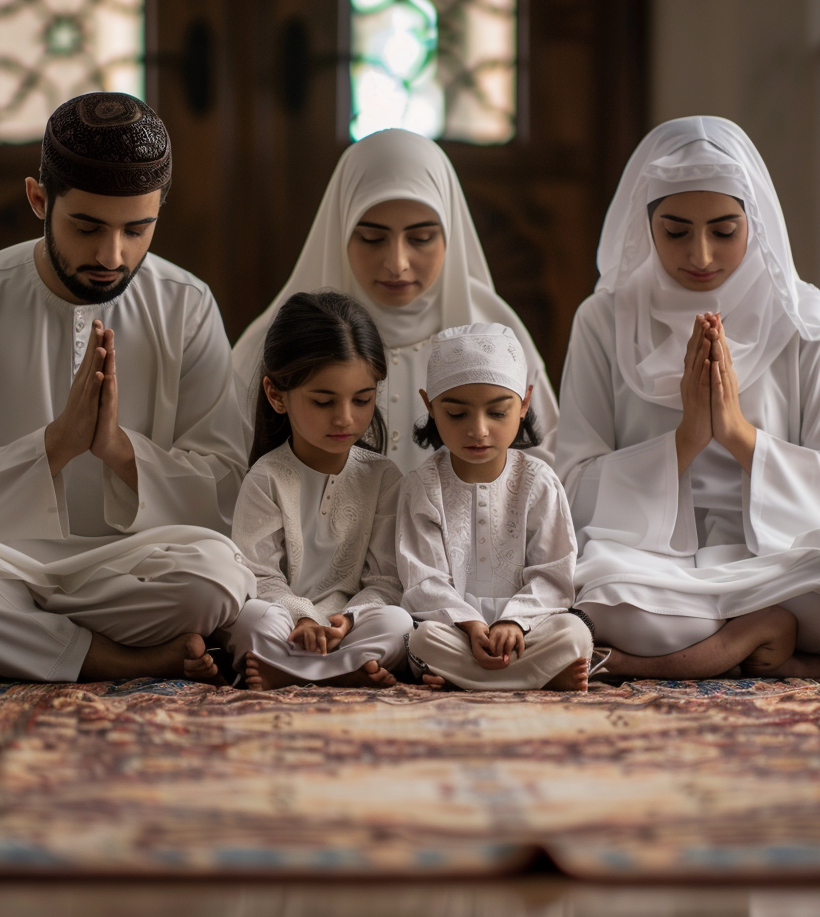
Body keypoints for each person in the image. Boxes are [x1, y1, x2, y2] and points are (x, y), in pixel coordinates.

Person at [0, 92, 254, 684]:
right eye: (87, 227)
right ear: (39, 199)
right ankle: (112, 659)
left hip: (136, 564)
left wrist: (118, 451)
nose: (112, 255)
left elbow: (224, 493)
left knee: (215, 578)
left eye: (138, 230)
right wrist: (55, 446)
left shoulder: (186, 305)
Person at [555, 115, 820, 680]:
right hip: (651, 569)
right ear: (645, 226)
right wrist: (684, 442)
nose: (701, 254)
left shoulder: (801, 319)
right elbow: (570, 487)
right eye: (676, 231)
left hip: (776, 565)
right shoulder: (604, 319)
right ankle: (775, 647)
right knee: (603, 599)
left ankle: (696, 654)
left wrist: (739, 435)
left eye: (724, 230)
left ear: (756, 222)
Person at [230, 128, 558, 474]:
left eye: (421, 238)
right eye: (372, 238)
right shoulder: (277, 342)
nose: (397, 263)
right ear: (341, 232)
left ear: (450, 235)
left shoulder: (498, 337)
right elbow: (233, 472)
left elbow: (541, 463)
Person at [398, 324, 597, 691]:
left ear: (523, 403)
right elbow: (422, 578)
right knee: (423, 638)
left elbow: (554, 574)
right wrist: (471, 625)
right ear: (431, 406)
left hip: (528, 628)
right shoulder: (422, 486)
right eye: (457, 414)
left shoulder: (539, 480)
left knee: (574, 632)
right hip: (454, 630)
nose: (478, 430)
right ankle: (535, 676)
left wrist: (514, 622)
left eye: (497, 413)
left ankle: (467, 679)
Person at [230, 291, 414, 690]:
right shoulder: (267, 478)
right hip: (287, 623)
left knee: (398, 622)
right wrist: (303, 618)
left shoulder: (383, 477)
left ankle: (290, 672)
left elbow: (386, 581)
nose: (346, 417)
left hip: (350, 626)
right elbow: (258, 575)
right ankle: (345, 673)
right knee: (252, 621)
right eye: (324, 400)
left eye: (362, 399)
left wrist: (345, 621)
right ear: (277, 395)